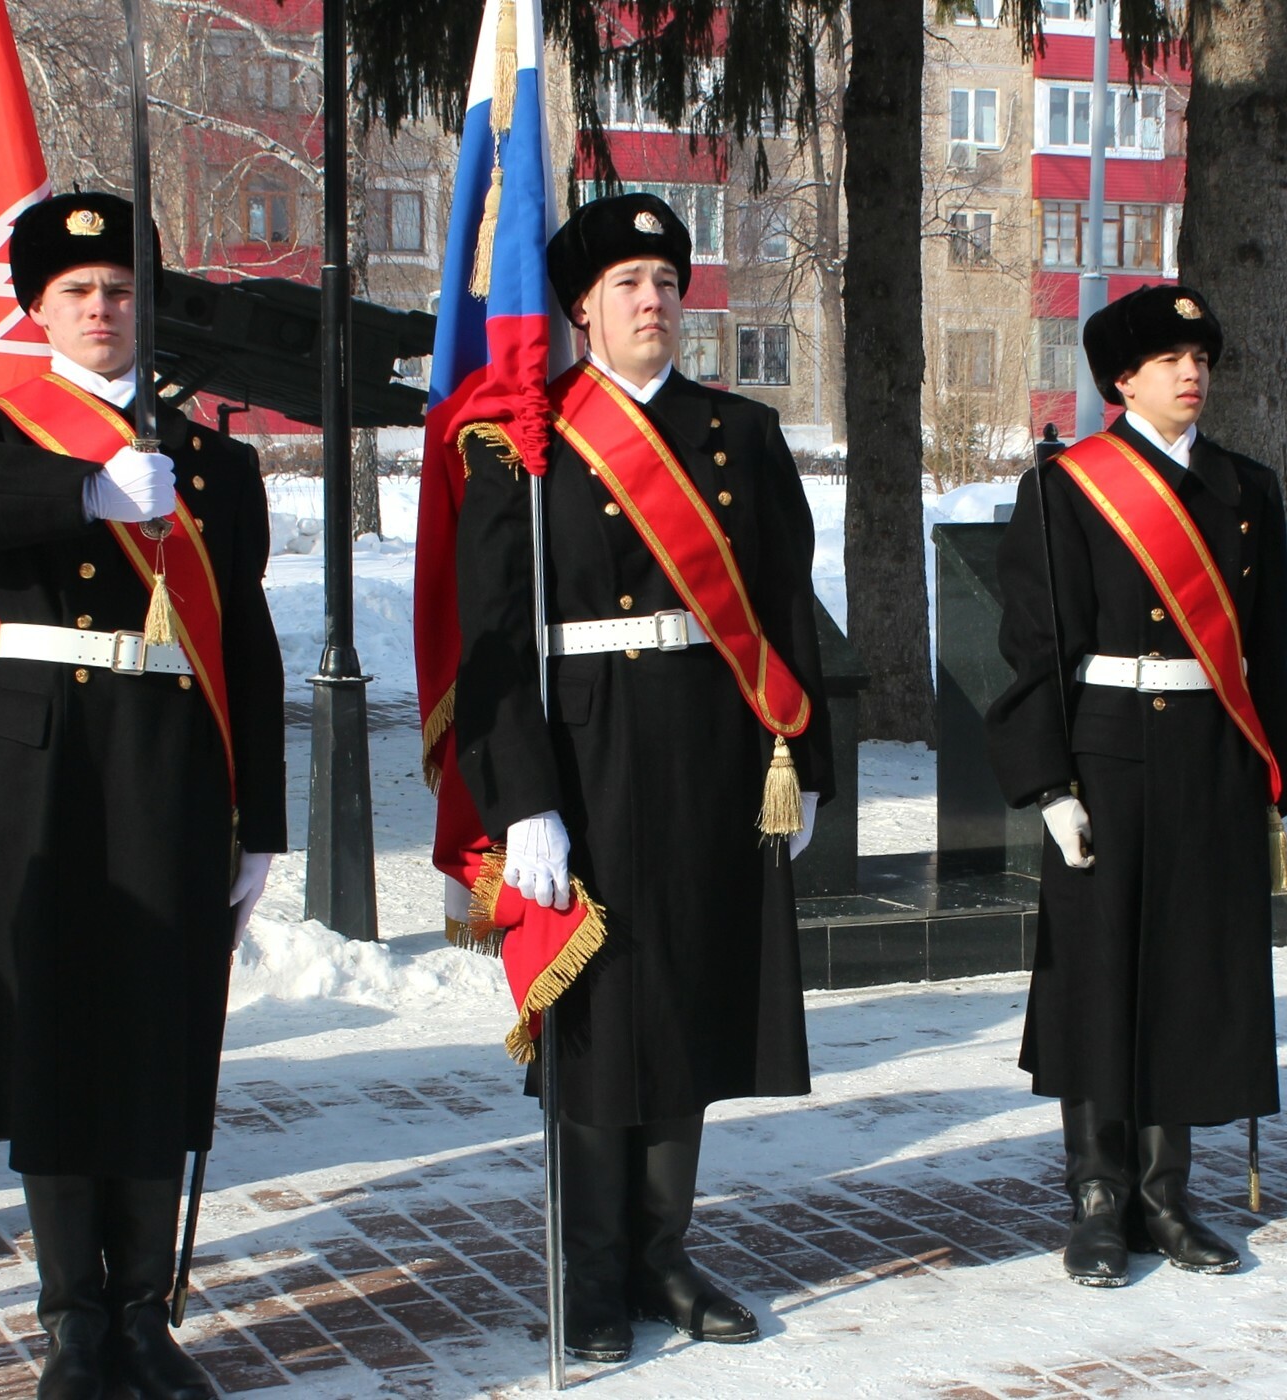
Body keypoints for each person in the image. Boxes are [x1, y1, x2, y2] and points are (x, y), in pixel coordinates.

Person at [0, 192, 285, 1400]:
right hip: (44, 754)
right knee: (58, 1032)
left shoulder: (210, 460)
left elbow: (248, 640)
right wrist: (85, 494)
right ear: (39, 310)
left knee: (155, 1032)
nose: (102, 309)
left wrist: (257, 817)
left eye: (119, 290)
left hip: (170, 751)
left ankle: (144, 1312)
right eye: (77, 292)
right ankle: (71, 1318)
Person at [452, 192, 833, 1361]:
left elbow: (783, 606)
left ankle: (663, 1250)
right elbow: (492, 642)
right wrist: (521, 797)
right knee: (601, 1017)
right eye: (626, 284)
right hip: (587, 748)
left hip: (714, 750)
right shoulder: (522, 440)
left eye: (666, 280)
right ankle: (590, 1267)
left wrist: (803, 760)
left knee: (694, 1001)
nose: (652, 300)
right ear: (579, 308)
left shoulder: (742, 433)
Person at [985, 284, 1287, 1287]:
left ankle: (1166, 1196)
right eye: (1168, 358)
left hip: (1210, 748)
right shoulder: (1067, 487)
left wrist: (1269, 775)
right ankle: (1093, 1199)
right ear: (1122, 379)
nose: (1190, 371)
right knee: (1098, 975)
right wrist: (1048, 785)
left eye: (1199, 355)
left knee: (1187, 973)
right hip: (1107, 752)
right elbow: (1031, 650)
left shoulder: (1247, 490)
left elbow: (1264, 651)